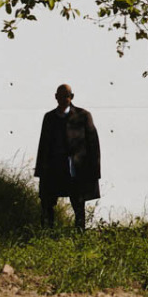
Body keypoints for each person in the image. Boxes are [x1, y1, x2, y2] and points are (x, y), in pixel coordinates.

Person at [34, 84, 101, 231]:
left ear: (72, 97)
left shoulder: (83, 116)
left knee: (78, 203)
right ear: (55, 97)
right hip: (53, 168)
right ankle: (47, 233)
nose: (63, 99)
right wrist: (40, 170)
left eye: (66, 96)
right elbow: (43, 145)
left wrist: (94, 171)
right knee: (47, 203)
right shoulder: (49, 117)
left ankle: (79, 235)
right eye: (60, 96)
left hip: (75, 169)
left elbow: (93, 144)